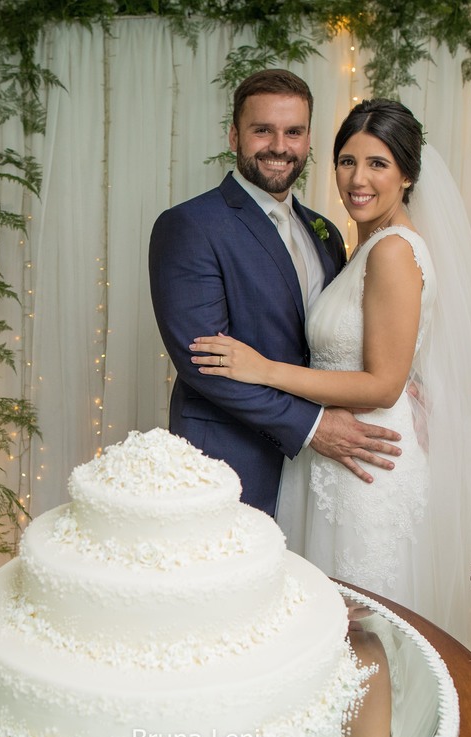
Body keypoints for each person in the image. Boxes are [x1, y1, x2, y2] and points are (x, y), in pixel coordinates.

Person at [189, 100, 471, 644]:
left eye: (378, 164)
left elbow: (381, 384)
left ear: (407, 174)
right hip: (331, 459)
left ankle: (371, 729)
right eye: (347, 161)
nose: (358, 179)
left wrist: (265, 370)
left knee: (361, 633)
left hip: (365, 465)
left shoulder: (392, 252)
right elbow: (379, 351)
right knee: (323, 627)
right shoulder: (355, 244)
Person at [149, 69, 403, 516]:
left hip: (319, 469)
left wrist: (400, 376)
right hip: (229, 462)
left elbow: (341, 336)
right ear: (234, 135)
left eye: (294, 132)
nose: (279, 147)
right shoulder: (189, 225)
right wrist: (313, 426)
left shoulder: (324, 232)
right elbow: (204, 364)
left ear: (309, 140)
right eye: (262, 130)